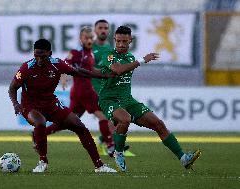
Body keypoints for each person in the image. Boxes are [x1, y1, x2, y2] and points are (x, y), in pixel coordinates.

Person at [98, 26, 201, 172]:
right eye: (118, 41)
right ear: (114, 40)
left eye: (124, 41)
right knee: (125, 119)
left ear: (130, 41)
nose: (121, 44)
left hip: (128, 100)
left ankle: (183, 158)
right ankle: (118, 152)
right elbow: (118, 69)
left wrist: (137, 61)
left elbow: (124, 69)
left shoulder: (130, 58)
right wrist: (143, 60)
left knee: (158, 124)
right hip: (109, 100)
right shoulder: (108, 54)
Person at [8, 39, 117, 173]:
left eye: (43, 56)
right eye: (36, 55)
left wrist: (102, 75)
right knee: (40, 122)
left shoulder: (57, 64)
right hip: (30, 106)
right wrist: (16, 104)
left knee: (79, 126)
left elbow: (79, 72)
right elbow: (12, 87)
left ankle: (99, 166)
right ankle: (43, 161)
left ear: (50, 53)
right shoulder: (26, 68)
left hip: (51, 104)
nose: (39, 59)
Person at [42, 26, 116, 157]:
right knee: (103, 116)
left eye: (91, 38)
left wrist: (105, 73)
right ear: (81, 39)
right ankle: (110, 146)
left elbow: (91, 69)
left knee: (69, 121)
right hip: (85, 92)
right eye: (86, 38)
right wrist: (64, 77)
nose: (89, 40)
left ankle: (42, 133)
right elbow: (65, 63)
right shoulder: (77, 52)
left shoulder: (89, 53)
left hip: (79, 93)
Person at [92, 19, 133, 156]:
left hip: (105, 88)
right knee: (110, 118)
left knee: (113, 118)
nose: (103, 30)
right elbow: (81, 65)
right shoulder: (90, 48)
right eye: (100, 28)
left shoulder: (111, 49)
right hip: (92, 88)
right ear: (95, 30)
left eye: (105, 28)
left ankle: (107, 142)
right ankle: (110, 145)